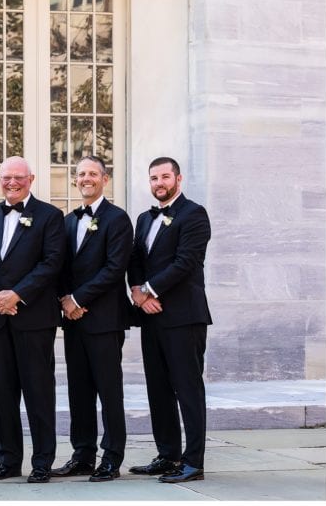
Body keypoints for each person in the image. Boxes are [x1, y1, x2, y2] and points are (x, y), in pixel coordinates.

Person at [0, 156, 65, 483]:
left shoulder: (51, 217)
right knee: (1, 393)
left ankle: (42, 462)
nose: (12, 183)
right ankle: (8, 460)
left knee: (39, 392)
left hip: (34, 318)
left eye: (19, 177)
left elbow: (51, 263)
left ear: (32, 178)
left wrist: (17, 295)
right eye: (6, 178)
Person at [128, 157, 212, 484]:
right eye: (154, 178)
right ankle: (167, 455)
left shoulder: (194, 214)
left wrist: (149, 290)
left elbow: (186, 262)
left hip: (184, 317)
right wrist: (137, 292)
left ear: (179, 178)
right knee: (158, 389)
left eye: (165, 176)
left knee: (188, 390)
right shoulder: (144, 219)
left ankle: (193, 462)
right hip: (151, 317)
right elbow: (135, 259)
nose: (159, 182)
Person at [52, 155, 133, 482]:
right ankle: (83, 454)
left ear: (105, 179)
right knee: (79, 390)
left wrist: (79, 298)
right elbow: (57, 265)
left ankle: (112, 457)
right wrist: (64, 298)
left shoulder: (118, 219)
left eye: (93, 174)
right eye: (81, 174)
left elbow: (115, 269)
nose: (86, 179)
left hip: (105, 319)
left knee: (109, 390)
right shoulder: (69, 221)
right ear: (75, 180)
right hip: (73, 319)